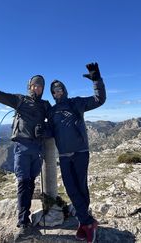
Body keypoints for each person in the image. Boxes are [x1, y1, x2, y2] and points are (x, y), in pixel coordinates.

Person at [0, 65, 51, 242]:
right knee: (23, 183)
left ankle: (25, 218)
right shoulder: (19, 100)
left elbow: (54, 123)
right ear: (30, 87)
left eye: (40, 86)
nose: (37, 88)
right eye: (34, 85)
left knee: (30, 184)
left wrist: (46, 131)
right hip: (22, 147)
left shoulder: (45, 105)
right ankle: (22, 223)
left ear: (43, 88)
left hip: (37, 150)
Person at [48, 63, 106, 243]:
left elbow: (99, 99)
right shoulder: (51, 111)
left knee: (81, 187)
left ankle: (85, 223)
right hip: (64, 156)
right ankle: (88, 221)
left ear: (64, 90)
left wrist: (96, 80)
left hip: (81, 152)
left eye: (60, 89)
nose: (58, 92)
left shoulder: (76, 103)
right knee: (71, 189)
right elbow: (52, 132)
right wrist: (41, 132)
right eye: (54, 91)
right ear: (53, 94)